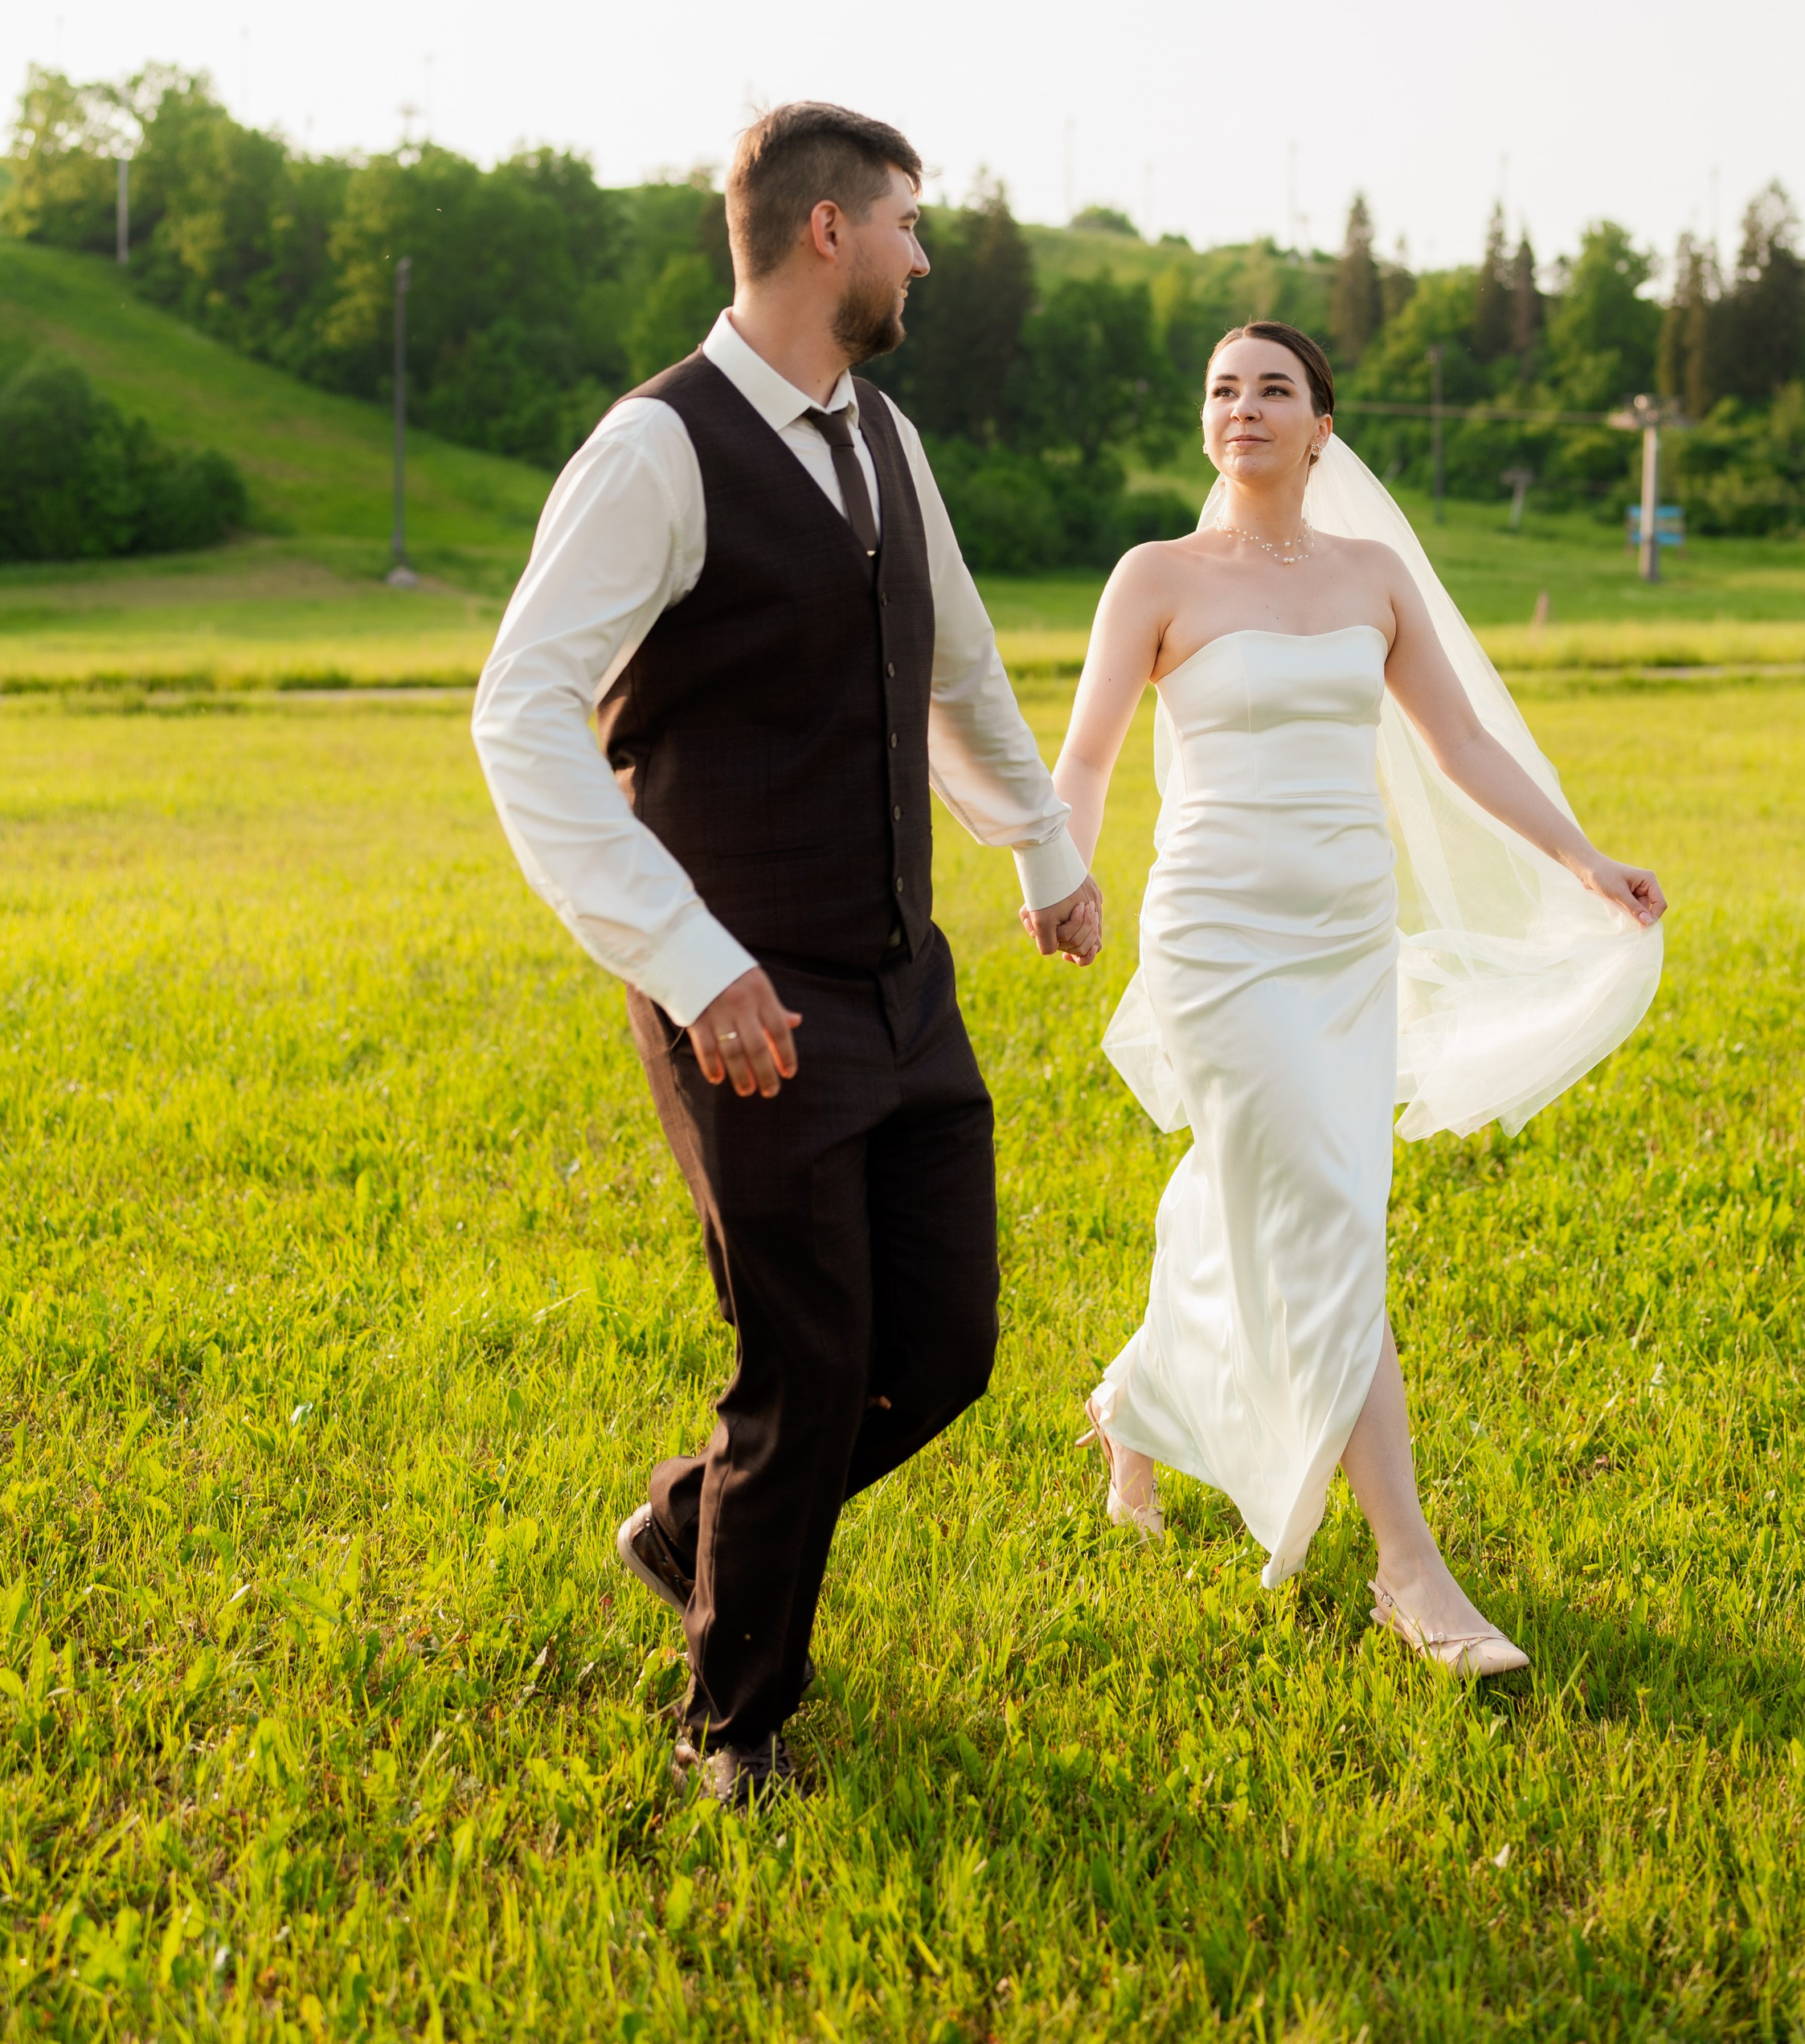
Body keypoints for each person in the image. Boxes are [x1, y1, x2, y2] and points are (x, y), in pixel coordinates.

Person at [473, 101, 1102, 1805]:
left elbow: (956, 665)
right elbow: (520, 716)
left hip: (905, 985)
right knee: (808, 1366)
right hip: (742, 998)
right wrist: (690, 963)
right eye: (907, 219)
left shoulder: (881, 434)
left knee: (945, 1349)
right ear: (827, 233)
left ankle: (692, 1526)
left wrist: (1043, 852)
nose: (922, 250)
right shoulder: (654, 452)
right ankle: (729, 1729)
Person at [1046, 321, 1664, 1674]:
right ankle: (1409, 1570)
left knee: (1268, 1190)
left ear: (1323, 425)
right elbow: (1087, 756)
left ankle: (1135, 1404)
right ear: (1205, 422)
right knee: (1327, 1213)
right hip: (1214, 940)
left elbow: (1459, 746)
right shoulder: (1154, 577)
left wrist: (1582, 856)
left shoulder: (1375, 577)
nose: (1246, 408)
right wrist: (1063, 873)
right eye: (1223, 389)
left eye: (1275, 389)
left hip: (1342, 945)